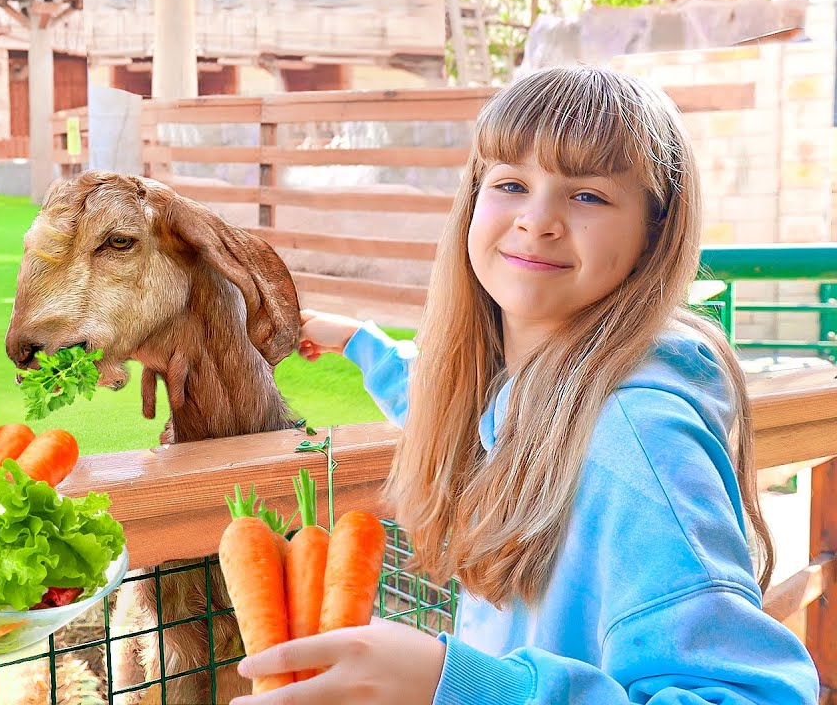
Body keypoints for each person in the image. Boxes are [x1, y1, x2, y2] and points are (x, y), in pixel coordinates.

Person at [232, 66, 821, 704]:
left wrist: (459, 685)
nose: (537, 220)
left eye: (588, 195)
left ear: (655, 233)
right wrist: (359, 343)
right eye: (511, 183)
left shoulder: (636, 439)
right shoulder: (529, 392)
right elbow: (462, 409)